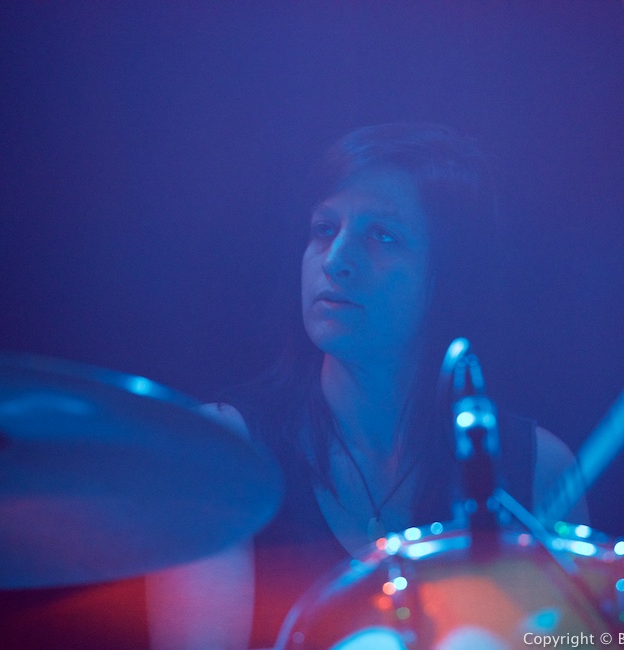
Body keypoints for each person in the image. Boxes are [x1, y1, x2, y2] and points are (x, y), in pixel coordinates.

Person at [145, 123, 589, 649]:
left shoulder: (538, 471)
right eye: (323, 229)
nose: (335, 260)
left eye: (382, 236)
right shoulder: (218, 455)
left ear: (449, 274)